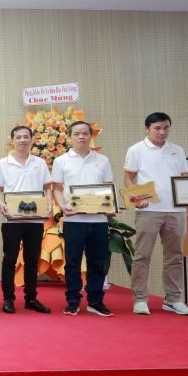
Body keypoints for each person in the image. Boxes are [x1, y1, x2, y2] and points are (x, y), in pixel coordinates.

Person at [124, 112, 188, 316]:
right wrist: (136, 198)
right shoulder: (136, 150)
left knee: (175, 256)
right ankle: (140, 299)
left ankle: (173, 299)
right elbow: (128, 178)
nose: (162, 132)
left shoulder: (177, 150)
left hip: (177, 210)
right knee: (142, 256)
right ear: (147, 129)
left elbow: (184, 177)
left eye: (165, 128)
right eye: (157, 128)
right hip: (149, 210)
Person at [51, 120, 115, 317]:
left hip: (99, 220)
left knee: (98, 261)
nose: (81, 137)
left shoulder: (102, 160)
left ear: (91, 136)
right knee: (72, 262)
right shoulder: (61, 161)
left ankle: (95, 301)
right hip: (73, 220)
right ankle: (73, 301)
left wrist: (111, 207)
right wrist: (63, 206)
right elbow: (56, 189)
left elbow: (108, 187)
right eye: (77, 133)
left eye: (85, 133)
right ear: (70, 136)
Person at [0, 125, 53, 314]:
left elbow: (47, 188)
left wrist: (49, 204)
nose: (22, 140)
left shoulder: (40, 163)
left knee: (32, 260)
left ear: (31, 139)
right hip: (11, 219)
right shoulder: (3, 163)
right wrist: (1, 204)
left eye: (26, 137)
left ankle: (31, 298)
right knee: (9, 259)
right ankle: (8, 299)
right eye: (18, 137)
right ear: (12, 140)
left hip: (35, 219)